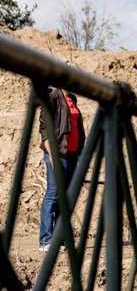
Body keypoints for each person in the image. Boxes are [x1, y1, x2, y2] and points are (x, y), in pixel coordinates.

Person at [38, 73, 86, 252]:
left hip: (72, 154)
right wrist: (52, 154)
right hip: (57, 154)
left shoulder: (72, 99)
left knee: (65, 197)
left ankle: (59, 238)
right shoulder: (52, 96)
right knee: (53, 193)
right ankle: (45, 240)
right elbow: (44, 128)